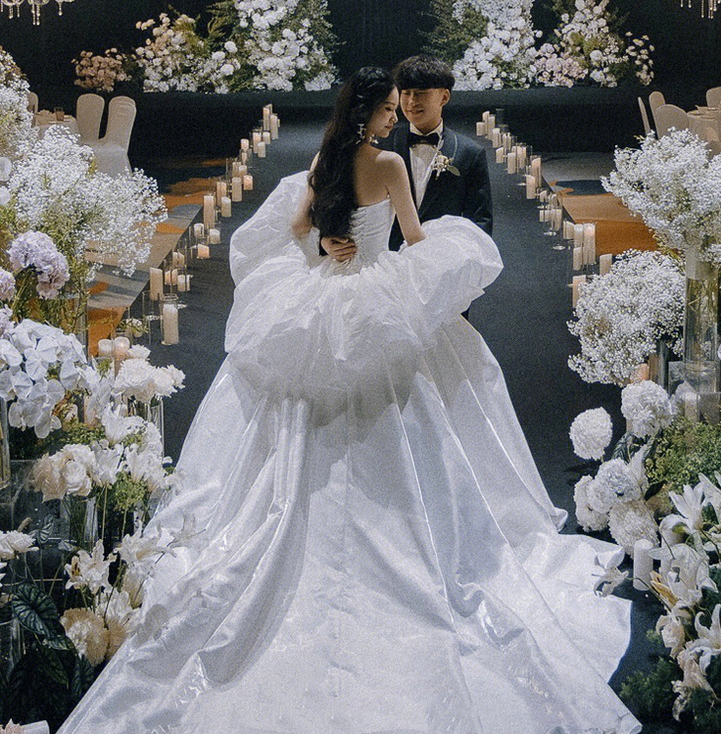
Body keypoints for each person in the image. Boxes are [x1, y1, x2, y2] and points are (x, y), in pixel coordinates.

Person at [58, 67, 639, 734]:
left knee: (302, 404)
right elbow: (413, 240)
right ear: (371, 114)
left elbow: (296, 229)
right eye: (389, 109)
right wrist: (438, 263)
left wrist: (326, 243)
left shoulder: (324, 162)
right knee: (411, 404)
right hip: (375, 299)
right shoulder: (388, 165)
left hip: (325, 293)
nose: (396, 117)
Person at [321, 54, 492, 264]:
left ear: (444, 97)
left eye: (420, 93)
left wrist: (462, 266)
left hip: (442, 264)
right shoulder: (378, 147)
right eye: (406, 93)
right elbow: (335, 198)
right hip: (384, 264)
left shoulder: (469, 153)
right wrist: (325, 240)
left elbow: (480, 223)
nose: (411, 102)